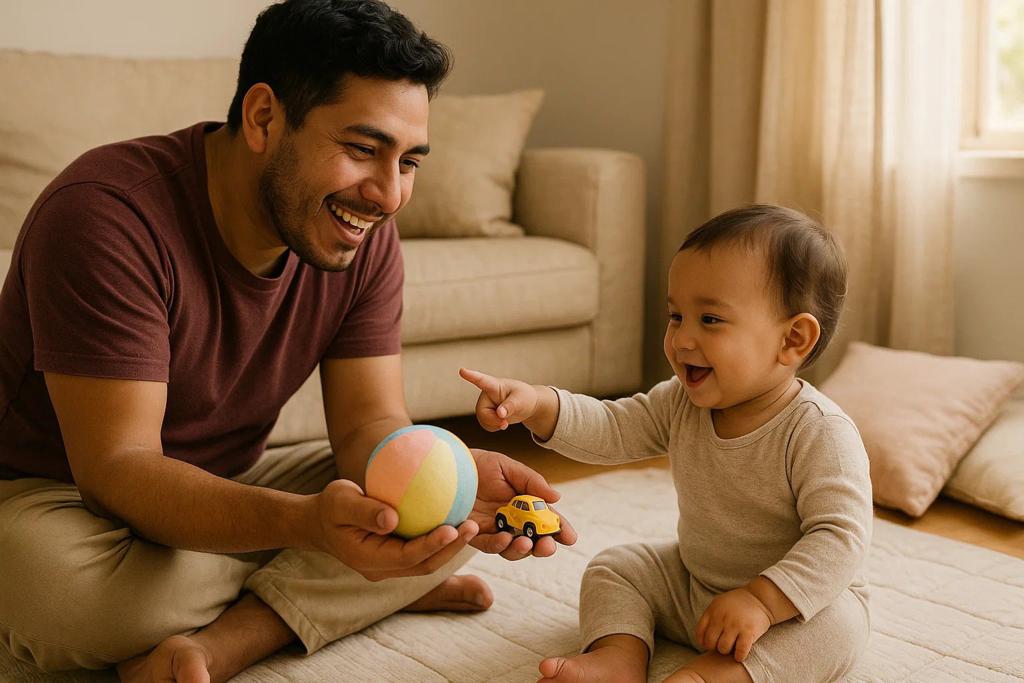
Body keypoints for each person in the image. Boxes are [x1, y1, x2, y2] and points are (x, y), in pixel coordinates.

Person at [0, 1, 576, 681]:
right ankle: (357, 588)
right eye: (363, 149)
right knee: (66, 599)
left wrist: (436, 476)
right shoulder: (106, 216)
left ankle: (232, 639)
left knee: (461, 515)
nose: (388, 194)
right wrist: (307, 529)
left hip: (231, 481)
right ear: (264, 117)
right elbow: (119, 470)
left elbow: (369, 425)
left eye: (409, 161)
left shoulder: (361, 234)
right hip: (56, 496)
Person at [461, 204, 872, 683]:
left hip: (793, 606)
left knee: (837, 629)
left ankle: (711, 675)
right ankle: (618, 657)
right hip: (697, 586)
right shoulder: (681, 403)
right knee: (617, 568)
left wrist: (761, 599)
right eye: (677, 316)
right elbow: (612, 426)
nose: (681, 340)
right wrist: (538, 403)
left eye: (711, 320)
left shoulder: (819, 431)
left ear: (793, 339)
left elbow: (840, 540)